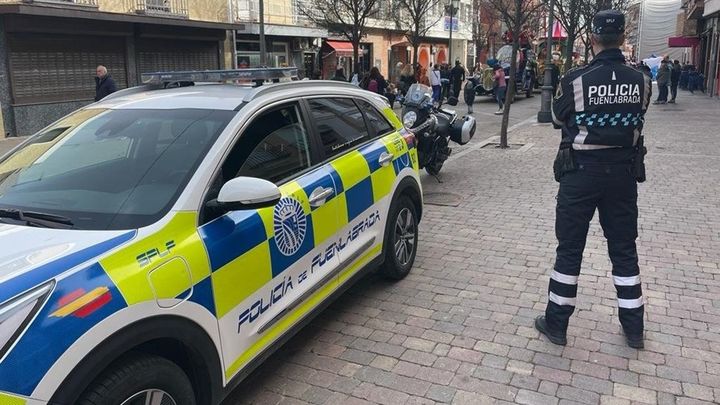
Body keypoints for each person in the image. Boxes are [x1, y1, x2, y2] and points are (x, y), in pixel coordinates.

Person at [536, 9, 651, 349]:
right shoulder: (641, 80)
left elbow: (557, 117)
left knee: (569, 250)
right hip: (623, 175)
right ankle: (634, 330)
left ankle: (556, 325)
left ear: (593, 37)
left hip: (580, 175)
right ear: (623, 36)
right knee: (624, 251)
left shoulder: (576, 79)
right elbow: (639, 115)